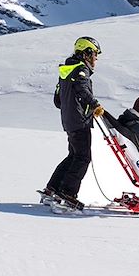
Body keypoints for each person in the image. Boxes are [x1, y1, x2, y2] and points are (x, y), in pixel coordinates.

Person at [42, 36, 105, 208]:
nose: (96, 59)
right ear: (87, 53)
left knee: (74, 156)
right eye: (95, 55)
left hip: (69, 121)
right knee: (83, 157)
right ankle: (68, 192)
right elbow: (82, 89)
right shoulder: (80, 71)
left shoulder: (66, 71)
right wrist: (94, 105)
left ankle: (52, 187)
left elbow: (57, 101)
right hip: (79, 122)